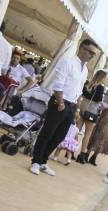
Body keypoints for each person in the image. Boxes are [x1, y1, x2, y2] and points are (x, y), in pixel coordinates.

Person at [28, 39, 99, 176]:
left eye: (94, 54)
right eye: (90, 52)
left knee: (60, 136)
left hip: (72, 105)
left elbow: (79, 90)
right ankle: (36, 161)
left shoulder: (84, 70)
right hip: (60, 102)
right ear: (82, 49)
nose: (92, 56)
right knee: (47, 133)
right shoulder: (68, 62)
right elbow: (58, 84)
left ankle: (43, 161)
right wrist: (60, 102)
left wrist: (77, 109)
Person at [75, 69, 107, 164]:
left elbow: (83, 94)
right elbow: (98, 99)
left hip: (82, 108)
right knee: (87, 134)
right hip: (91, 111)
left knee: (77, 130)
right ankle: (81, 155)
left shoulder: (87, 83)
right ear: (102, 78)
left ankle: (71, 149)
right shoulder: (100, 87)